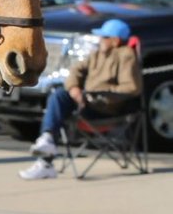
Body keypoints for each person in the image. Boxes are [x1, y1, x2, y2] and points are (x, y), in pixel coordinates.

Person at [20, 17, 141, 180]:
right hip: (84, 103)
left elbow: (131, 87)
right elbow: (75, 71)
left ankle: (46, 156)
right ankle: (46, 146)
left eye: (104, 37)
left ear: (115, 40)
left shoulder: (126, 56)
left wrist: (97, 94)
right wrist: (75, 89)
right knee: (58, 95)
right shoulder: (96, 54)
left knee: (59, 99)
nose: (100, 40)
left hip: (103, 109)